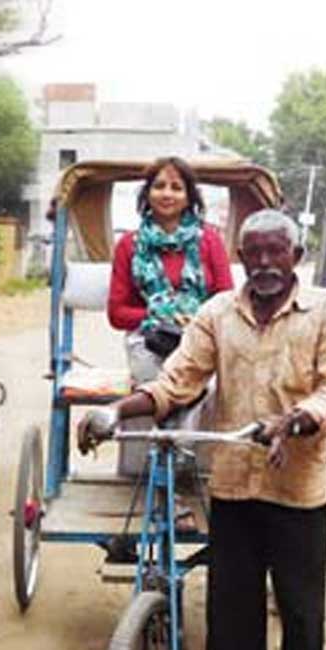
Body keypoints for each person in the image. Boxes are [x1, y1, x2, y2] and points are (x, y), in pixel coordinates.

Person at [78, 208, 326, 650]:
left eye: (275, 252)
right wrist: (113, 413)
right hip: (231, 482)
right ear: (241, 259)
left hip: (297, 488)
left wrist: (295, 419)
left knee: (302, 612)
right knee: (234, 607)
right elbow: (177, 380)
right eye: (252, 253)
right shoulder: (216, 314)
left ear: (295, 257)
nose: (263, 264)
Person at [108, 156, 235, 475]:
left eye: (177, 187)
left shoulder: (209, 241)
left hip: (200, 338)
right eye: (159, 186)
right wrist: (159, 314)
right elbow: (117, 312)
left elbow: (226, 299)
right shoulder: (128, 245)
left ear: (189, 197)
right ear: (147, 193)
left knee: (203, 389)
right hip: (148, 340)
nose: (167, 194)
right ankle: (165, 479)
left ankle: (177, 464)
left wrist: (194, 320)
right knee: (159, 391)